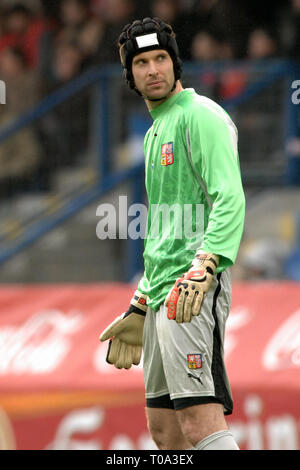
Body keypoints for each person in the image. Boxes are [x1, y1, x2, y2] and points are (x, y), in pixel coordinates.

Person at [99, 17, 245, 451]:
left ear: (176, 62)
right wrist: (142, 302)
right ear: (130, 75)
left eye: (161, 57)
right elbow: (165, 229)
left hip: (191, 290)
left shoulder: (201, 116)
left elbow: (230, 198)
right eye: (141, 62)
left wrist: (206, 266)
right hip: (161, 294)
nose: (153, 69)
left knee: (201, 423)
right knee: (165, 431)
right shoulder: (154, 132)